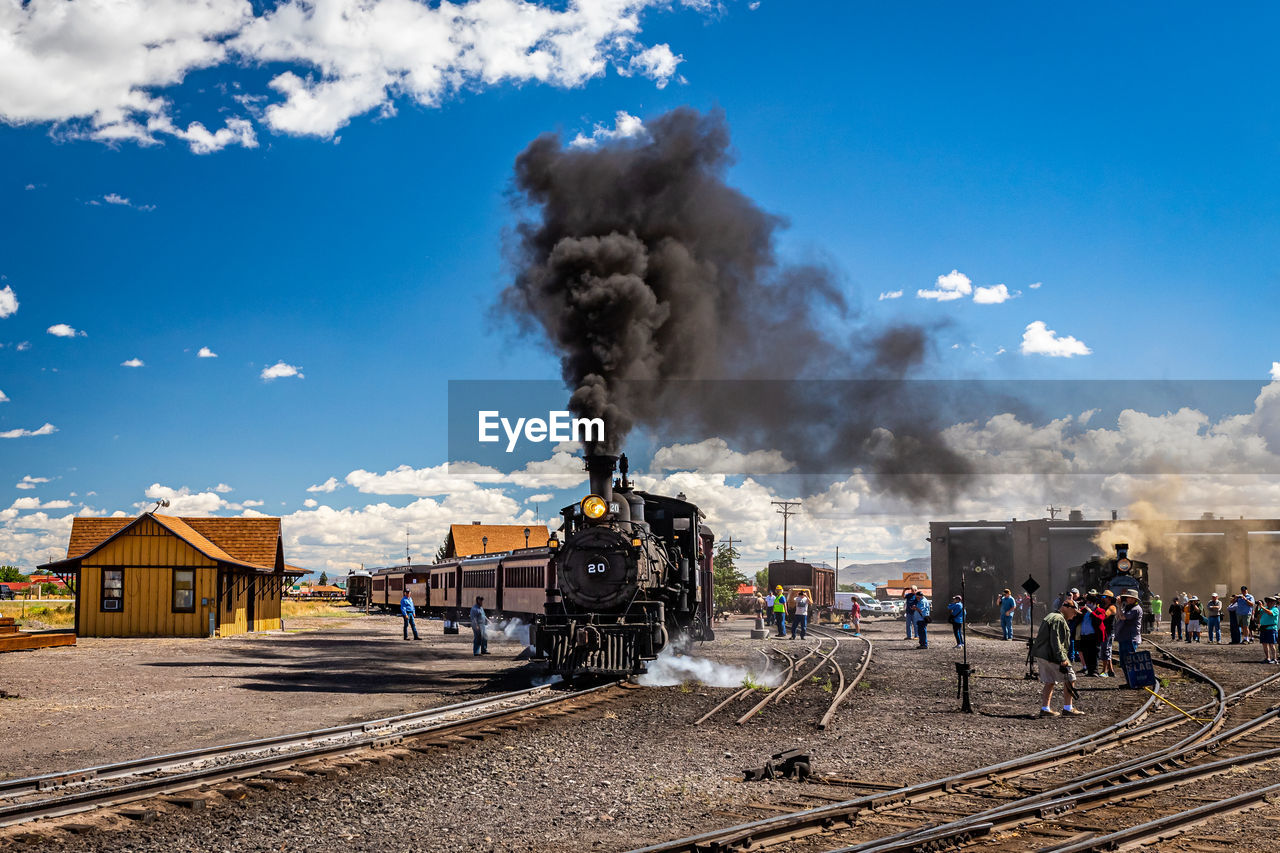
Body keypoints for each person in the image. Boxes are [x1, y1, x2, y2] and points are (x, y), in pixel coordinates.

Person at [1031, 598, 1084, 717]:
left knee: (1049, 681)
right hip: (1051, 655)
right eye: (1074, 612)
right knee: (1070, 678)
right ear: (1066, 607)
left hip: (1043, 654)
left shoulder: (1052, 616)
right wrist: (1062, 658)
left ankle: (1045, 708)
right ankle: (1068, 708)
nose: (1075, 615)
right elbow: (1056, 640)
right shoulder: (1059, 619)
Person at [1115, 590, 1143, 686]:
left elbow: (1123, 617)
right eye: (1126, 597)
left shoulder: (1135, 609)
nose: (1127, 599)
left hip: (1131, 638)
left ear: (1134, 599)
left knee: (1130, 662)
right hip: (1124, 637)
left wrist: (1118, 606)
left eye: (1129, 597)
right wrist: (1119, 607)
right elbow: (1118, 615)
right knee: (1123, 662)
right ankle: (1129, 682)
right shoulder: (1128, 607)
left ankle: (1134, 682)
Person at [1078, 592, 1106, 677]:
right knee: (1086, 653)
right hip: (1084, 635)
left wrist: (1091, 612)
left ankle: (1095, 671)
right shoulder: (1084, 611)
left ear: (1094, 603)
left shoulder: (1100, 610)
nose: (1087, 604)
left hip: (1094, 636)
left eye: (1089, 602)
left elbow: (1099, 620)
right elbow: (1077, 616)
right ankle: (1089, 671)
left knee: (1094, 654)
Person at [1099, 591, 1117, 678]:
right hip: (1104, 631)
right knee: (1107, 650)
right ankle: (1111, 670)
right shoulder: (1103, 606)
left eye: (1104, 597)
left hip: (1109, 631)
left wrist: (1096, 609)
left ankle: (1104, 670)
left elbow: (1104, 616)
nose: (1102, 599)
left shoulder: (1112, 607)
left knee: (1105, 650)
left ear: (1109, 598)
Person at [1259, 596, 1280, 664]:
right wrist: (1258, 607)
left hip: (1271, 629)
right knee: (1264, 644)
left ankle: (1274, 658)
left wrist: (1262, 607)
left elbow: (1270, 613)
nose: (1268, 603)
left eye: (1270, 601)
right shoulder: (1265, 609)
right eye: (1267, 601)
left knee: (1271, 644)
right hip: (1264, 628)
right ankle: (1267, 658)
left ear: (1274, 603)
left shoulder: (1275, 609)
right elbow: (1258, 614)